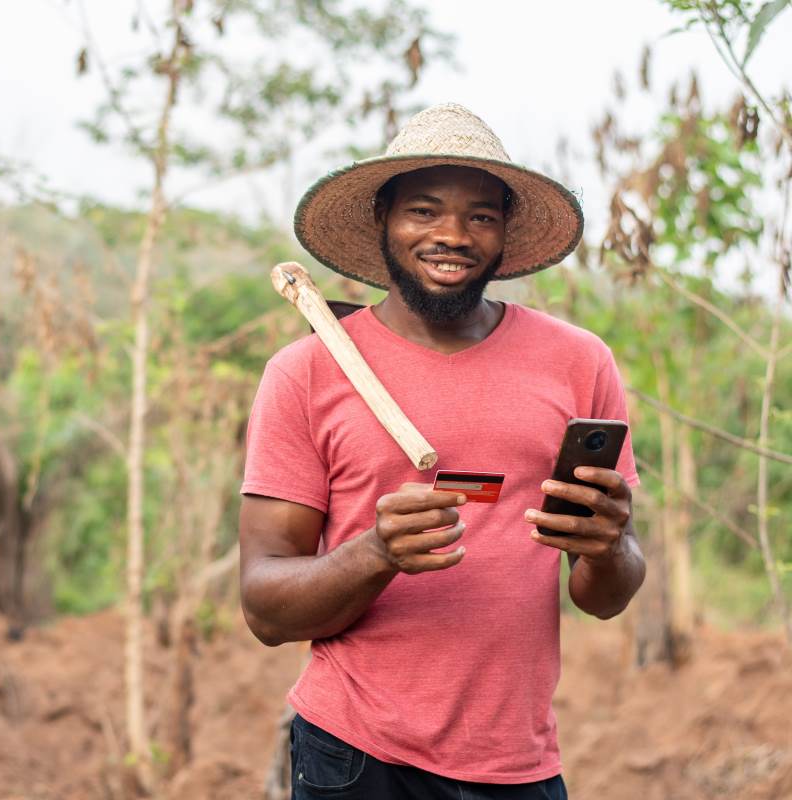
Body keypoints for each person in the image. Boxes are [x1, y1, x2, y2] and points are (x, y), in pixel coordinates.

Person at [239, 103, 646, 799]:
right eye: (424, 211)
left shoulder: (578, 364)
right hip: (354, 755)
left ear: (505, 234)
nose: (452, 236)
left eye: (481, 216)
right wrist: (374, 553)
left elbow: (604, 598)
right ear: (383, 222)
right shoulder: (307, 372)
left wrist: (609, 548)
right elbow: (265, 609)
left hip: (518, 761)